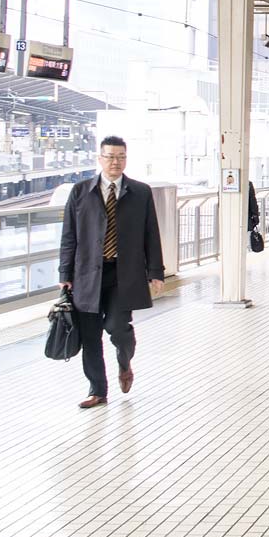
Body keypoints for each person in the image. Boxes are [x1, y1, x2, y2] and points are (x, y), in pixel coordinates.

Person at [60, 136, 164, 409]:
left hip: (124, 273)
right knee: (90, 334)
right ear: (100, 158)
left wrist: (155, 272)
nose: (115, 162)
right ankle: (98, 390)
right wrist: (65, 273)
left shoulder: (140, 192)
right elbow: (69, 235)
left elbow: (150, 234)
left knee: (116, 327)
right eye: (110, 157)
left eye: (121, 157)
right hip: (87, 274)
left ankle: (124, 360)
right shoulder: (81, 191)